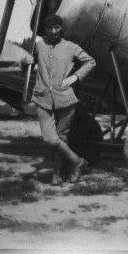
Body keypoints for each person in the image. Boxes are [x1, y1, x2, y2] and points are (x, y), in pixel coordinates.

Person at [22, 14, 96, 185]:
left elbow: (91, 62)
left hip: (66, 99)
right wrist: (24, 61)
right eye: (50, 28)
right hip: (42, 98)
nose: (54, 31)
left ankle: (58, 174)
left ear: (61, 28)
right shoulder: (38, 46)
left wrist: (76, 77)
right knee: (49, 139)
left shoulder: (71, 47)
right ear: (45, 30)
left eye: (57, 28)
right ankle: (78, 161)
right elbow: (26, 63)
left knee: (61, 138)